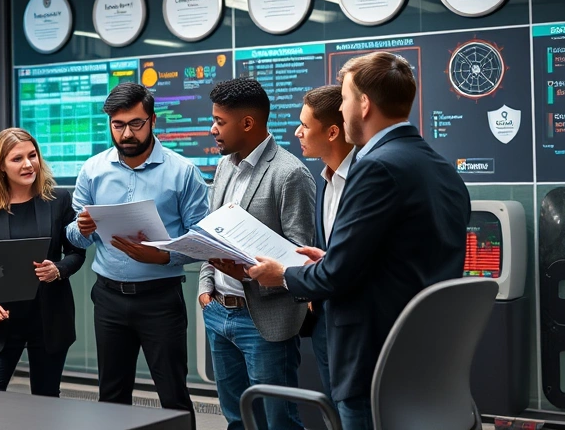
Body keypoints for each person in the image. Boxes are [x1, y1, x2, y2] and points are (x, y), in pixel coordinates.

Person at [246, 52, 471, 430]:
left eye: (346, 99)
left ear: (364, 104)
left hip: (375, 359)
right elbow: (404, 258)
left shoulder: (376, 167)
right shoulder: (439, 166)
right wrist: (333, 258)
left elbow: (338, 276)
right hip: (427, 355)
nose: (342, 108)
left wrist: (283, 275)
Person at [67, 82, 208, 429]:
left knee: (173, 395)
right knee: (111, 395)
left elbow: (202, 240)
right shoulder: (93, 170)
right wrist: (81, 229)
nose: (127, 133)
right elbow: (74, 237)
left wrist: (164, 257)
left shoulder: (182, 172)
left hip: (160, 300)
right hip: (109, 298)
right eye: (118, 125)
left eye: (135, 123)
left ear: (153, 121)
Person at [197, 78, 315, 430]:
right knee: (237, 419)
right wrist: (206, 287)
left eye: (220, 121)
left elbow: (299, 259)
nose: (213, 129)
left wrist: (252, 275)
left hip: (263, 319)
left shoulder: (290, 173)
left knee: (278, 421)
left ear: (247, 123)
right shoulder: (224, 166)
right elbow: (212, 229)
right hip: (218, 313)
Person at [0, 128, 86, 396]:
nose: (28, 164)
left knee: (46, 401)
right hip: (2, 322)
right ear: (1, 166)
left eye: (32, 155)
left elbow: (76, 252)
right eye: (17, 158)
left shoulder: (58, 200)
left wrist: (58, 269)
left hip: (49, 319)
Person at [293, 84, 356, 408]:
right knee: (335, 413)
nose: (298, 132)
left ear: (332, 132)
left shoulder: (366, 180)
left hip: (355, 324)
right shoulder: (325, 179)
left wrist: (285, 276)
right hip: (324, 320)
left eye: (305, 125)